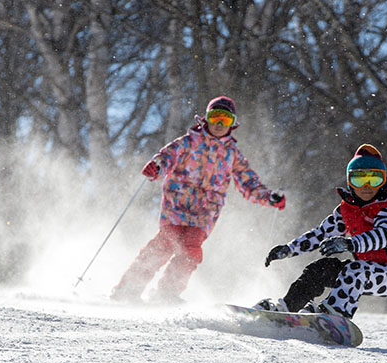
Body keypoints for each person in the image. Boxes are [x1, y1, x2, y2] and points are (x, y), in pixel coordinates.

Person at [111, 96, 285, 303]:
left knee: (190, 249)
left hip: (206, 211)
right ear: (206, 119)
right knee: (165, 243)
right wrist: (156, 167)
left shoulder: (232, 153)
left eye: (226, 119)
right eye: (215, 117)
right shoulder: (188, 142)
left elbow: (248, 182)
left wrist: (268, 197)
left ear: (233, 124)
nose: (219, 124)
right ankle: (128, 289)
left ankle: (166, 293)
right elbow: (167, 157)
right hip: (177, 203)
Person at [256, 144, 387, 319]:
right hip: (364, 269)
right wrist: (290, 249)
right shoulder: (348, 209)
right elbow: (321, 234)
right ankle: (286, 309)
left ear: (384, 182)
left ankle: (335, 313)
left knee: (355, 269)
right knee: (320, 269)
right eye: (359, 179)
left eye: (374, 179)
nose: (367, 186)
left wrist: (350, 243)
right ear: (349, 181)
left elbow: (384, 235)